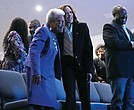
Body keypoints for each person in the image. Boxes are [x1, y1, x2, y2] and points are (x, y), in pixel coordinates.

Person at [25, 8, 65, 110]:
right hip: (38, 74)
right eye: (59, 21)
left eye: (63, 21)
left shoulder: (54, 35)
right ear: (50, 22)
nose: (62, 24)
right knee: (40, 106)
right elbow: (34, 51)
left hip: (48, 75)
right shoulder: (43, 31)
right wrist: (36, 72)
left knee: (50, 106)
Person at [58, 4, 94, 110]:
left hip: (81, 63)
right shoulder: (59, 30)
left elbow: (88, 50)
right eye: (66, 14)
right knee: (70, 94)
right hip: (67, 63)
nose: (69, 15)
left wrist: (89, 70)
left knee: (85, 95)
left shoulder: (82, 27)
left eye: (71, 12)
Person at [103, 5, 134, 110]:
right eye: (121, 14)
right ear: (114, 15)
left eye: (125, 14)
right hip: (118, 70)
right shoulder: (109, 27)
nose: (124, 17)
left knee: (129, 101)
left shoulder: (128, 31)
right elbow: (115, 43)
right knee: (118, 100)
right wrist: (131, 44)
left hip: (129, 71)